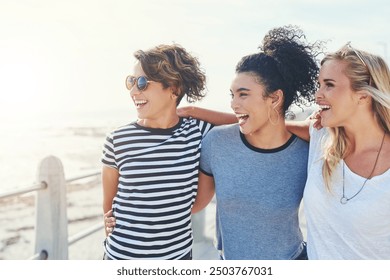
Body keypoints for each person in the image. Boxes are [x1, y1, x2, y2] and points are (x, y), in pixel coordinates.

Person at [188, 25, 321, 259]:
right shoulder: (217, 142)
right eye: (232, 95)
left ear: (275, 98)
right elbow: (195, 204)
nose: (233, 103)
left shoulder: (307, 153)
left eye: (243, 94)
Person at [101, 43, 234, 260]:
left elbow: (247, 122)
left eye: (143, 82)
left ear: (173, 89)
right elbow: (108, 203)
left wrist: (193, 110)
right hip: (120, 258)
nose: (134, 91)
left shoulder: (198, 132)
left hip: (177, 258)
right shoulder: (117, 139)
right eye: (131, 82)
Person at [287, 43, 390, 259]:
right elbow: (262, 126)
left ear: (363, 95)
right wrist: (195, 110)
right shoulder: (320, 136)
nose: (317, 95)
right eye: (319, 84)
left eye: (329, 85)